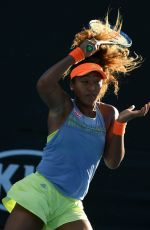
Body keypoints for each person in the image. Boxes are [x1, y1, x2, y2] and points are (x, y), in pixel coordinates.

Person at [2, 11, 150, 230]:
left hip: (70, 204)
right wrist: (78, 54)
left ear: (104, 84)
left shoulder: (109, 114)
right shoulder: (63, 107)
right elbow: (44, 83)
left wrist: (121, 125)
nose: (91, 88)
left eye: (96, 82)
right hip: (41, 191)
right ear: (72, 85)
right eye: (84, 82)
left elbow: (112, 162)